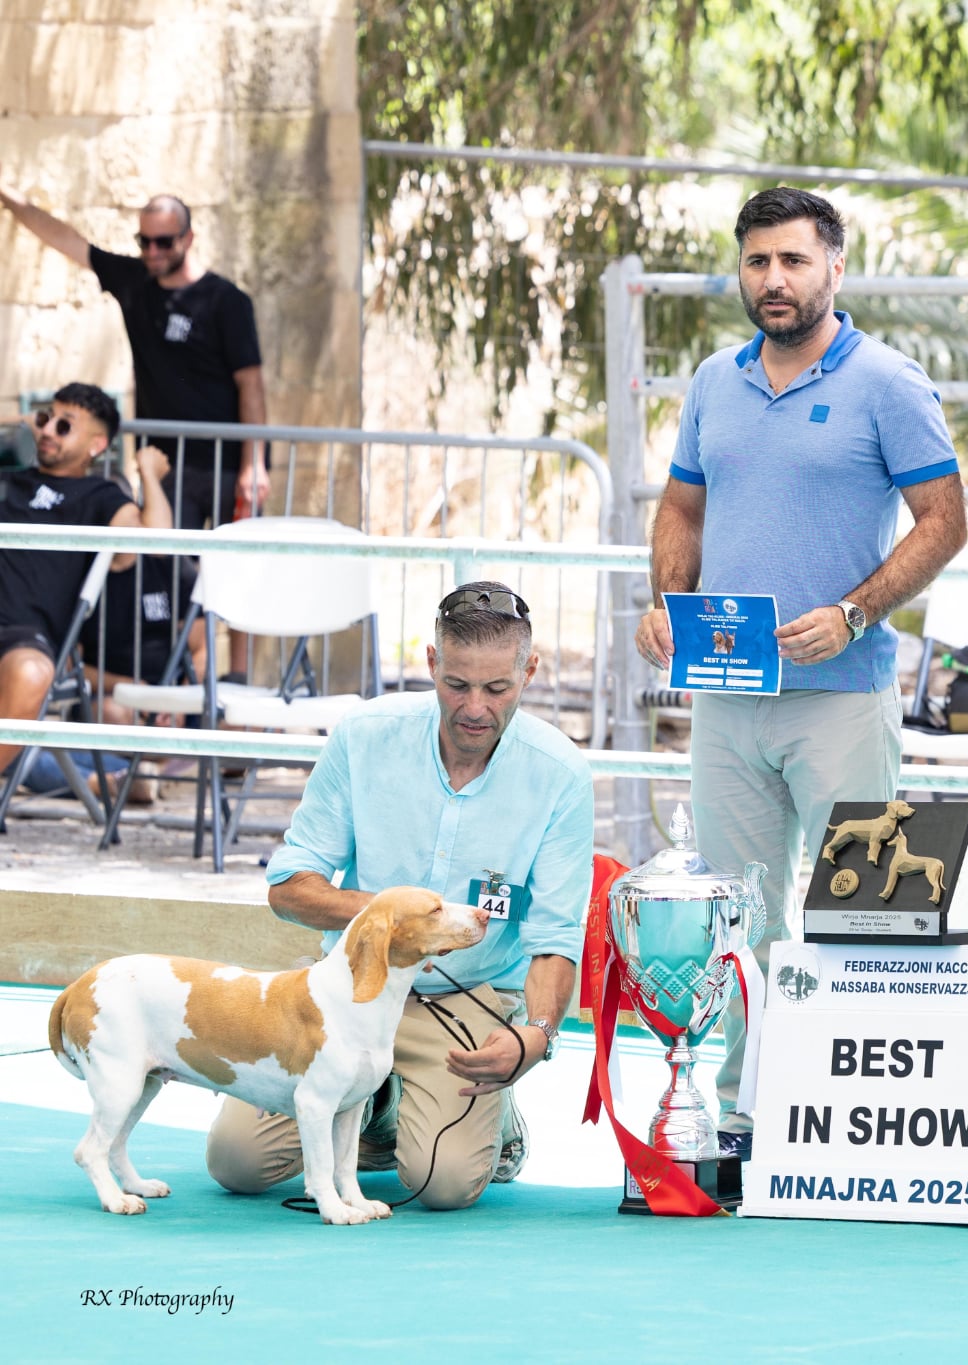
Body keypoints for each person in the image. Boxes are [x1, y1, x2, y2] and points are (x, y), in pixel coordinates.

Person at [633, 188, 967, 1159]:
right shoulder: (715, 381)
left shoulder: (887, 382)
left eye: (792, 260)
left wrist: (857, 611)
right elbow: (681, 507)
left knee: (862, 908)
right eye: (757, 262)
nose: (773, 279)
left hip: (842, 699)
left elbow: (945, 522)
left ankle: (862, 1112)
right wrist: (668, 602)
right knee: (739, 915)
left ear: (834, 267)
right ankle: (744, 1107)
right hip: (727, 701)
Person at [206, 582, 595, 1210]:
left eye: (497, 688)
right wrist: (392, 917)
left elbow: (554, 936)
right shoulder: (363, 734)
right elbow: (289, 887)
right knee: (237, 1163)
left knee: (442, 1186)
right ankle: (378, 1110)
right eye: (457, 684)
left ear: (529, 672)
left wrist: (536, 1036)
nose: (475, 707)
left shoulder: (562, 774)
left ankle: (492, 1118)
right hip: (347, 989)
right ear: (432, 663)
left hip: (468, 997)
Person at [0, 188, 270, 532]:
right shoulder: (134, 281)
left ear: (188, 238)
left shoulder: (227, 301)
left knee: (234, 561)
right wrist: (6, 194)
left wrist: (253, 465)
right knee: (166, 560)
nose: (153, 251)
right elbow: (66, 240)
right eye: (144, 241)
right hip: (167, 465)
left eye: (164, 242)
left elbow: (251, 384)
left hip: (226, 464)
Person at [0, 383, 170, 791]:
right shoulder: (9, 480)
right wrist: (19, 422)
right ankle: (106, 780)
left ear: (97, 445)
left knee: (32, 673)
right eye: (45, 418)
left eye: (65, 425)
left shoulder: (100, 495)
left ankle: (106, 778)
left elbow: (158, 544)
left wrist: (149, 475)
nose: (47, 430)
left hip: (22, 637)